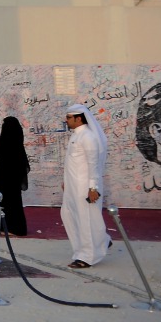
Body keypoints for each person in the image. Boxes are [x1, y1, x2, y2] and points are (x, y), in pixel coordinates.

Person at [61, 104, 110, 269]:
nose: (66, 120)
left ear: (79, 118)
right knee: (68, 215)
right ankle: (101, 241)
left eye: (69, 117)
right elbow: (73, 163)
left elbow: (93, 164)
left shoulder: (88, 137)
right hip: (73, 186)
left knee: (86, 220)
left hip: (85, 187)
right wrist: (66, 181)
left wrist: (93, 187)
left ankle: (88, 256)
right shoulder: (76, 136)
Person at [0, 117, 30, 236]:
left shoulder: (9, 142)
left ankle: (13, 228)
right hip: (10, 177)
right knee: (9, 201)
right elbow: (0, 148)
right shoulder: (13, 141)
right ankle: (7, 227)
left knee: (9, 202)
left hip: (6, 177)